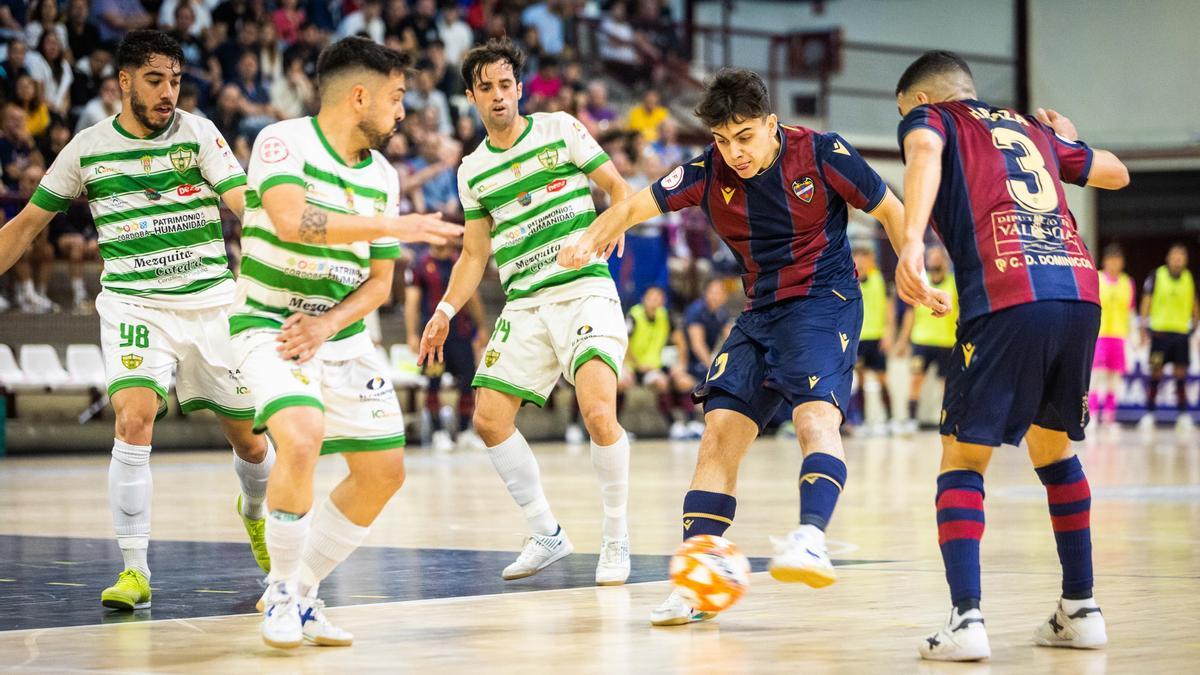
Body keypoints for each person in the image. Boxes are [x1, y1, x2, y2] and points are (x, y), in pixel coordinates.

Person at [560, 67, 938, 625]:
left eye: (744, 137)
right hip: (759, 312)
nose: (732, 152)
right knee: (718, 432)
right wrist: (593, 235)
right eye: (721, 140)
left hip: (823, 302)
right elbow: (635, 205)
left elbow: (889, 207)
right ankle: (697, 578)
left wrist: (911, 258)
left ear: (771, 124)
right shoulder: (709, 172)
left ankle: (810, 538)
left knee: (814, 420)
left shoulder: (823, 154)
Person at [0, 30, 279, 611]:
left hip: (210, 306)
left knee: (251, 445)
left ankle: (255, 512)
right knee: (133, 420)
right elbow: (27, 226)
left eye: (175, 81)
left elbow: (244, 204)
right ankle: (134, 570)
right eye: (156, 80)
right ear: (123, 82)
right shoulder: (86, 148)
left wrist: (290, 243)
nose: (168, 93)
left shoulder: (200, 133)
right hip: (134, 306)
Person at [894, 50, 1129, 661]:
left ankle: (966, 621)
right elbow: (1115, 173)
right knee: (1053, 447)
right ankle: (1081, 608)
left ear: (922, 101)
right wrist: (1067, 140)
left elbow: (921, 153)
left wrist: (912, 241)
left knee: (962, 457)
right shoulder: (1032, 127)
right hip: (1078, 292)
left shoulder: (934, 121)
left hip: (1008, 291)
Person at [229, 37, 462, 649]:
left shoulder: (383, 175)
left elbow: (380, 284)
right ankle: (279, 590)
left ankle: (302, 591)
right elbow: (290, 219)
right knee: (301, 437)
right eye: (396, 97)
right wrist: (397, 223)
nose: (402, 112)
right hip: (269, 323)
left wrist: (330, 324)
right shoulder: (282, 141)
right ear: (359, 95)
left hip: (339, 335)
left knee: (384, 471)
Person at [418, 37, 634, 586]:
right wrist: (444, 308)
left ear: (519, 87)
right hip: (526, 302)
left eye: (506, 84)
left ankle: (615, 537)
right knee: (488, 417)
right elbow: (473, 253)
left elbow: (616, 186)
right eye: (485, 87)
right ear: (470, 95)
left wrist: (613, 223)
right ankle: (547, 532)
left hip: (584, 288)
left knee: (598, 411)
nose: (497, 95)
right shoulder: (471, 171)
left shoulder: (561, 129)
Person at [405, 242, 486, 452]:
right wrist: (412, 334)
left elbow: (473, 296)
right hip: (432, 336)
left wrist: (481, 326)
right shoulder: (420, 264)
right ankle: (438, 432)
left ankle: (464, 432)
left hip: (461, 334)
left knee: (469, 381)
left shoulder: (459, 261)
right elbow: (412, 302)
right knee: (433, 382)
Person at [621, 286, 699, 440]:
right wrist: (635, 364)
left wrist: (681, 365)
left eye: (659, 298)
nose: (655, 301)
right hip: (634, 366)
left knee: (684, 381)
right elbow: (624, 343)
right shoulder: (634, 316)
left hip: (656, 366)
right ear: (644, 299)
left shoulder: (666, 316)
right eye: (652, 297)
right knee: (658, 382)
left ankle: (691, 424)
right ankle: (673, 425)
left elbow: (681, 342)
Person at [896, 245, 958, 432]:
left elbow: (959, 312)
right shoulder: (921, 283)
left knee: (946, 384)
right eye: (930, 257)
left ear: (944, 261)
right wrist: (902, 340)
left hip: (946, 341)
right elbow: (910, 313)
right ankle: (910, 421)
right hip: (921, 340)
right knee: (915, 380)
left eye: (937, 257)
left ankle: (949, 420)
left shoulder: (953, 283)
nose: (933, 260)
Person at [1138, 243, 1197, 434]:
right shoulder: (1157, 276)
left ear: (1185, 259)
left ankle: (1182, 415)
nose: (1178, 259)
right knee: (1156, 373)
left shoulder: (1189, 278)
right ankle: (1149, 413)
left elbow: (1195, 304)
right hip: (1159, 335)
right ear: (1168, 258)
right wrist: (1143, 327)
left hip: (1180, 336)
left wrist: (1194, 326)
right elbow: (1146, 302)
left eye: (1182, 256)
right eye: (1175, 255)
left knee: (1181, 375)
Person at [1089, 244, 1135, 426]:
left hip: (1118, 335)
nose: (1114, 264)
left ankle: (1109, 417)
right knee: (1096, 376)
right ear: (1105, 261)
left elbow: (1130, 311)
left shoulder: (1127, 282)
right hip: (1100, 335)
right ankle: (1092, 415)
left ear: (1122, 262)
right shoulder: (1097, 278)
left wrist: (1132, 336)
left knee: (1113, 378)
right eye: (1111, 260)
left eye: (1118, 260)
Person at [851, 242, 894, 435]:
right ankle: (862, 421)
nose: (860, 262)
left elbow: (889, 309)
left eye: (864, 258)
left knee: (882, 379)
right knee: (859, 381)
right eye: (857, 258)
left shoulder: (880, 279)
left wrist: (888, 332)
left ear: (871, 260)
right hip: (858, 338)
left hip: (877, 337)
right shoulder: (850, 281)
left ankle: (890, 419)